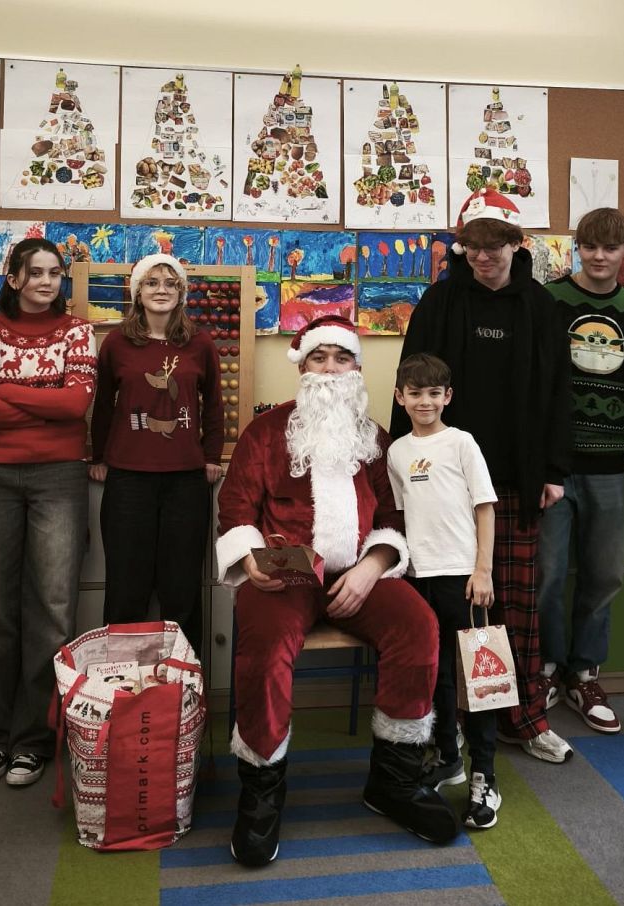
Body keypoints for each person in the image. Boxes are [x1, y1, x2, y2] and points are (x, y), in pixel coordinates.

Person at [216, 315, 459, 867]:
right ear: (301, 366)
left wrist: (374, 565)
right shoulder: (265, 432)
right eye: (318, 358)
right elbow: (235, 510)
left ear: (357, 368)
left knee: (419, 626)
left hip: (357, 574)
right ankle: (261, 791)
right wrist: (251, 560)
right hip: (285, 575)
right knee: (264, 647)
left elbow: (393, 518)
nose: (330, 369)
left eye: (341, 358)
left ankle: (393, 782)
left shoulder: (375, 438)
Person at [392, 188, 573, 765]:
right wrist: (403, 464)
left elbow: (560, 393)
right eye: (473, 246)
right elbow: (409, 384)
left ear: (516, 245)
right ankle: (452, 724)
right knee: (453, 611)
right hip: (442, 487)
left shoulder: (542, 307)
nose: (483, 257)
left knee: (515, 607)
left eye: (494, 246)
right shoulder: (439, 302)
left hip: (517, 480)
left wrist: (553, 471)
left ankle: (525, 718)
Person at [0, 237, 97, 787]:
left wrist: (7, 390)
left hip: (59, 477)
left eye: (54, 273)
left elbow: (76, 404)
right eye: (35, 272)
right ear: (14, 278)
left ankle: (33, 742)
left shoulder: (78, 332)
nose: (46, 281)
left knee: (53, 609)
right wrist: (45, 404)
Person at [537, 209, 624, 734]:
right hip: (554, 466)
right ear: (577, 249)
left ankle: (584, 674)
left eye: (610, 247)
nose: (600, 257)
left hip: (608, 465)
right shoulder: (550, 301)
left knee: (604, 575)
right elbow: (535, 379)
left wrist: (620, 441)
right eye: (590, 246)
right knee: (547, 574)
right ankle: (545, 668)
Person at [387, 352, 501, 829]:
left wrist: (483, 570)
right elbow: (402, 514)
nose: (425, 402)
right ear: (400, 397)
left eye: (434, 393)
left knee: (481, 679)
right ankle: (449, 759)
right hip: (419, 577)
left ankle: (485, 777)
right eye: (415, 393)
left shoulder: (462, 443)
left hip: (465, 576)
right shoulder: (396, 452)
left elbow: (485, 507)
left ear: (447, 396)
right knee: (437, 675)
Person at [89, 254, 223, 653]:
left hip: (186, 480)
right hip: (128, 479)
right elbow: (103, 405)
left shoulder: (200, 343)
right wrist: (99, 457)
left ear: (181, 292)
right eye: (151, 282)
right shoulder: (117, 343)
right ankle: (121, 681)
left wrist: (211, 456)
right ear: (137, 292)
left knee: (181, 590)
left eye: (170, 283)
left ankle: (184, 681)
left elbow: (214, 405)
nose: (161, 290)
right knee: (125, 589)